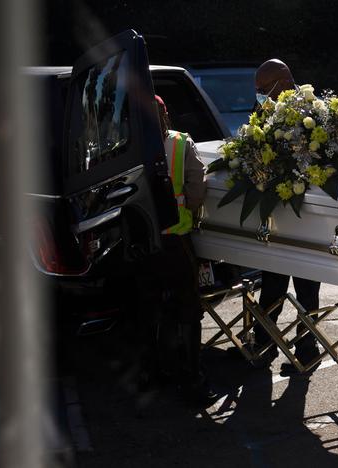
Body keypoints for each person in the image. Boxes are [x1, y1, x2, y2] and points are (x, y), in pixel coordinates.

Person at [136, 95, 208, 403]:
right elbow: (196, 188)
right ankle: (192, 379)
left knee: (150, 308)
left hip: (141, 242)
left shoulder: (126, 147)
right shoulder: (180, 144)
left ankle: (151, 374)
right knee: (188, 308)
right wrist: (192, 212)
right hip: (176, 239)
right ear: (166, 115)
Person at [252, 59, 322, 374]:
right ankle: (264, 345)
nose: (260, 95)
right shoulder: (266, 113)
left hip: (307, 217)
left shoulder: (313, 113)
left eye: (263, 89)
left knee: (307, 290)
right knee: (272, 285)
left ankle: (307, 350)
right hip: (278, 216)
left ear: (282, 81)